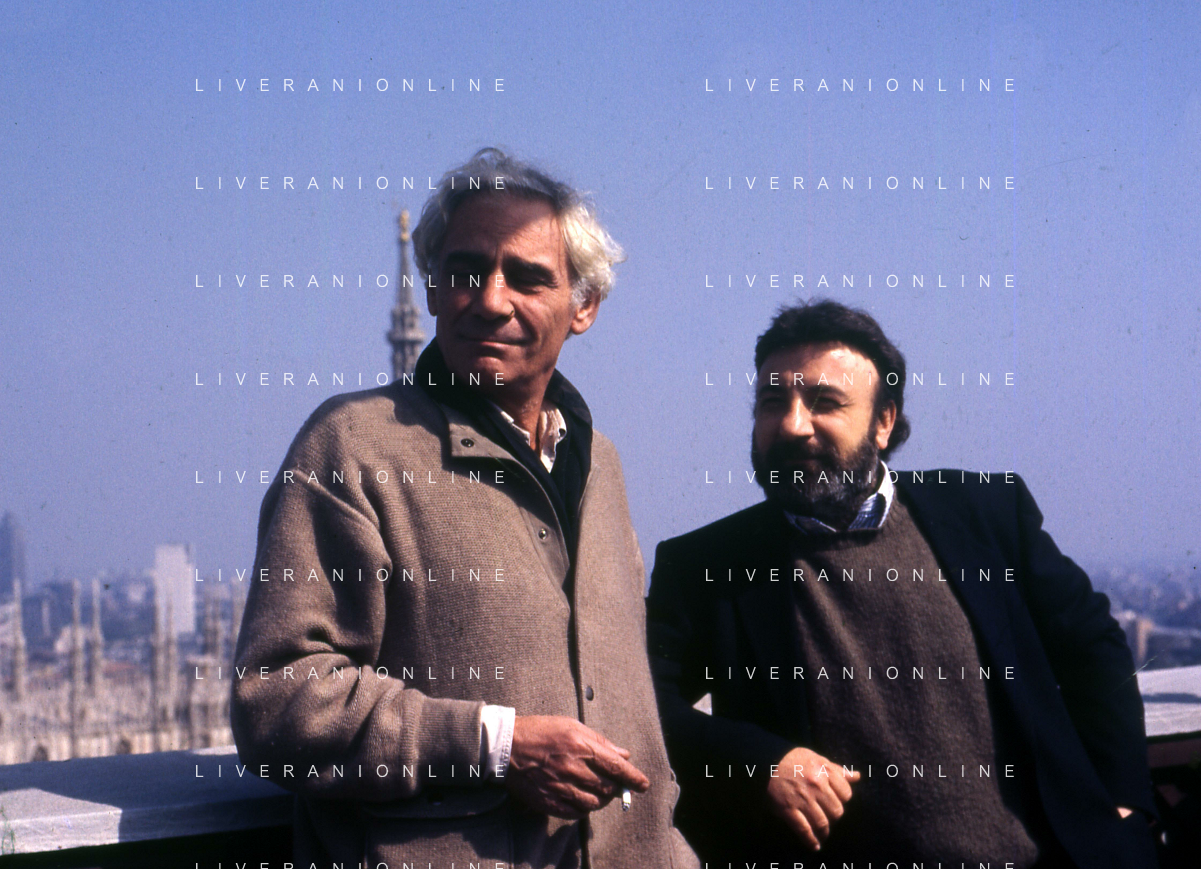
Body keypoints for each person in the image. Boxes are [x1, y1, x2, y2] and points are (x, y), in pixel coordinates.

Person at [231, 148, 695, 869]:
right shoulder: (354, 446)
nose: (490, 300)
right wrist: (494, 745)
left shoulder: (598, 462)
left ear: (583, 307)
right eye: (466, 271)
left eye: (529, 278)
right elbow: (278, 700)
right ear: (433, 290)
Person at [647, 300, 1158, 868]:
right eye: (773, 402)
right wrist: (758, 762)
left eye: (824, 402)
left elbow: (1093, 647)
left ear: (884, 421)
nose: (792, 425)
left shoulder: (985, 514)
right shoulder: (707, 567)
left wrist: (1122, 803)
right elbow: (637, 701)